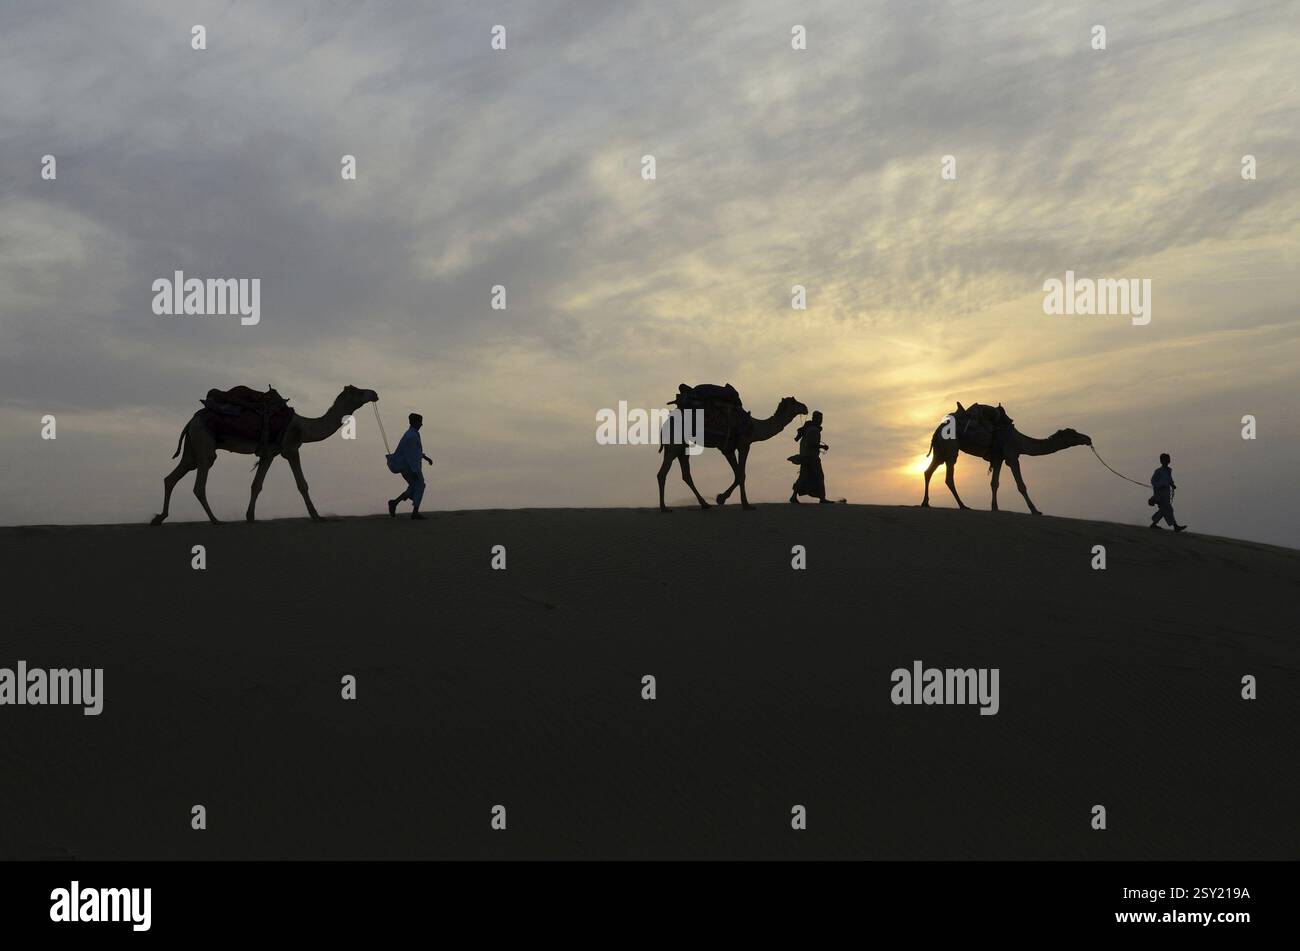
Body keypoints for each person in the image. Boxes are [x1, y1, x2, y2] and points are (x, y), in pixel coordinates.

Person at [388, 413, 433, 520]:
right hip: (408, 466)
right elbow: (410, 455)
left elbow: (415, 452)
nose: (421, 424)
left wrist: (425, 458)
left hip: (408, 466)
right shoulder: (411, 436)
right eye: (420, 422)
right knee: (420, 485)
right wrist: (415, 470)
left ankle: (395, 503)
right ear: (415, 422)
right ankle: (414, 512)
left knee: (415, 486)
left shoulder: (412, 434)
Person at [789, 410, 832, 504]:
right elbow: (812, 444)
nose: (821, 421)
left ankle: (793, 496)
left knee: (803, 476)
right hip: (811, 458)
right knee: (819, 476)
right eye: (820, 419)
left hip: (806, 457)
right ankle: (822, 498)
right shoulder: (814, 430)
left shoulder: (809, 429)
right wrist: (823, 447)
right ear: (816, 419)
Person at [1148, 452, 1186, 532]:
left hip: (1166, 493)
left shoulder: (1169, 471)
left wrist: (1172, 485)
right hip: (1159, 494)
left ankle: (1154, 524)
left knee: (1164, 510)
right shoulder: (1158, 471)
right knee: (1168, 509)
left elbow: (1170, 480)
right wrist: (1159, 486)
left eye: (1168, 459)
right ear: (1162, 461)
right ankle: (1175, 526)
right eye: (1165, 460)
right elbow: (1153, 481)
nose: (1167, 461)